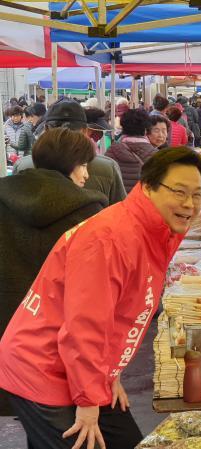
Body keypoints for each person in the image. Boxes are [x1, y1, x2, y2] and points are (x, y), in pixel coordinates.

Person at [0, 147, 201, 449]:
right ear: (148, 187)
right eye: (179, 192)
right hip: (42, 367)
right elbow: (85, 326)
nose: (189, 204)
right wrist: (88, 401)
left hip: (79, 365)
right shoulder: (111, 239)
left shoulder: (157, 232)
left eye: (197, 195)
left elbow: (119, 313)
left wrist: (111, 374)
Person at [0, 128, 107, 415]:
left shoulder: (3, 197)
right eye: (83, 165)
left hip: (9, 333)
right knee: (61, 421)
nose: (86, 174)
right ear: (69, 164)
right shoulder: (88, 211)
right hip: (56, 338)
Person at [12, 100, 126, 205]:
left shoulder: (23, 166)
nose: (86, 175)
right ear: (85, 131)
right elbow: (121, 214)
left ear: (46, 129)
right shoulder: (107, 168)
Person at [106, 109, 157, 193]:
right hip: (140, 199)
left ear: (123, 127)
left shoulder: (111, 151)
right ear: (145, 130)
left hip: (118, 200)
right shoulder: (155, 155)